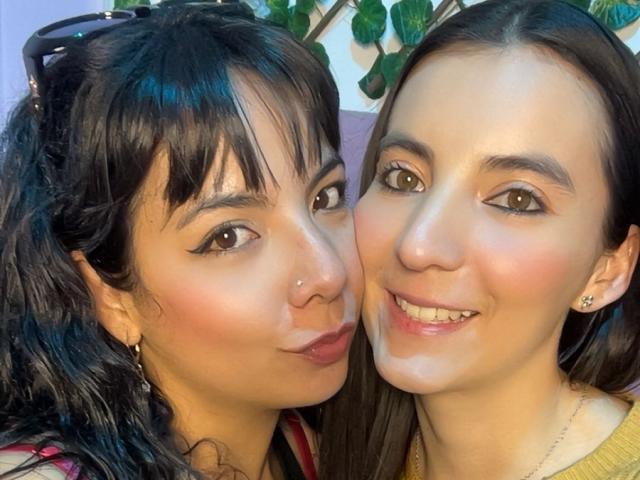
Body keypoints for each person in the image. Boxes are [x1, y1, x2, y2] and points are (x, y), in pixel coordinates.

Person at [0, 2, 362, 479]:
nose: (329, 274)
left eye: (325, 197)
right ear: (111, 297)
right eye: (228, 236)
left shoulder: (312, 442)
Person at [318, 1, 640, 479]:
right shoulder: (327, 448)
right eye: (403, 178)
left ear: (608, 270)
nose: (418, 245)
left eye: (516, 200)